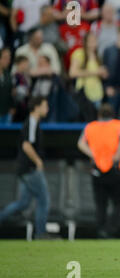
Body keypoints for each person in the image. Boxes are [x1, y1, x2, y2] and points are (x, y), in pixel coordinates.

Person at [77, 104, 120, 239]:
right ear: (112, 114)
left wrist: (92, 155)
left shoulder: (90, 127)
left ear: (99, 115)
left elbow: (80, 143)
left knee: (101, 203)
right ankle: (111, 228)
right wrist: (118, 154)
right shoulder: (118, 125)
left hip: (97, 169)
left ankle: (101, 229)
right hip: (114, 167)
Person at [0, 96, 50, 239]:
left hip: (24, 168)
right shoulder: (32, 122)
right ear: (37, 107)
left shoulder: (33, 122)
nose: (47, 109)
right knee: (44, 199)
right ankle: (41, 234)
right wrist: (38, 161)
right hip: (30, 168)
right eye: (45, 106)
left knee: (23, 203)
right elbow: (26, 145)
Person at [69, 32, 108, 111]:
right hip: (84, 94)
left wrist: (103, 73)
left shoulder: (98, 55)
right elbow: (72, 73)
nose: (94, 43)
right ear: (85, 42)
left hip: (97, 94)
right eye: (91, 41)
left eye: (95, 40)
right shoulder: (80, 53)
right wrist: (95, 72)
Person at [0, 47, 14, 123]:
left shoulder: (8, 74)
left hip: (6, 112)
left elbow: (10, 92)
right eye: (5, 58)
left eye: (9, 58)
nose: (8, 61)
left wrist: (12, 106)